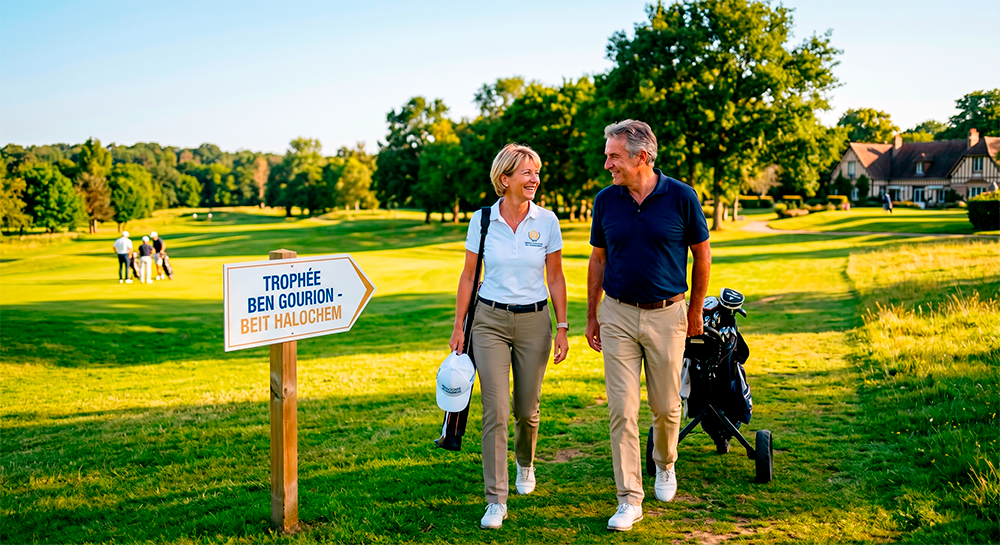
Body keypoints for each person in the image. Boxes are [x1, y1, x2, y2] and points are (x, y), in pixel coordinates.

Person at [585, 120, 711, 532]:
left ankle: (665, 463)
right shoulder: (606, 201)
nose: (607, 164)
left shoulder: (681, 197)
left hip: (668, 315)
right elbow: (598, 260)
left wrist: (694, 312)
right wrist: (592, 313)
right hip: (618, 314)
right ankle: (628, 499)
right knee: (623, 410)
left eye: (613, 156)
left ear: (641, 157)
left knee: (666, 407)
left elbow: (702, 256)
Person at [449, 143, 569, 530]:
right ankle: (495, 500)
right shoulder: (482, 220)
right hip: (489, 322)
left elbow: (555, 276)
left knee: (525, 410)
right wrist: (458, 326)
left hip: (535, 323)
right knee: (496, 410)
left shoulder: (547, 221)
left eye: (536, 172)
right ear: (505, 179)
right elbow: (469, 275)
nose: (534, 179)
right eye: (527, 172)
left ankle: (525, 462)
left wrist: (563, 326)